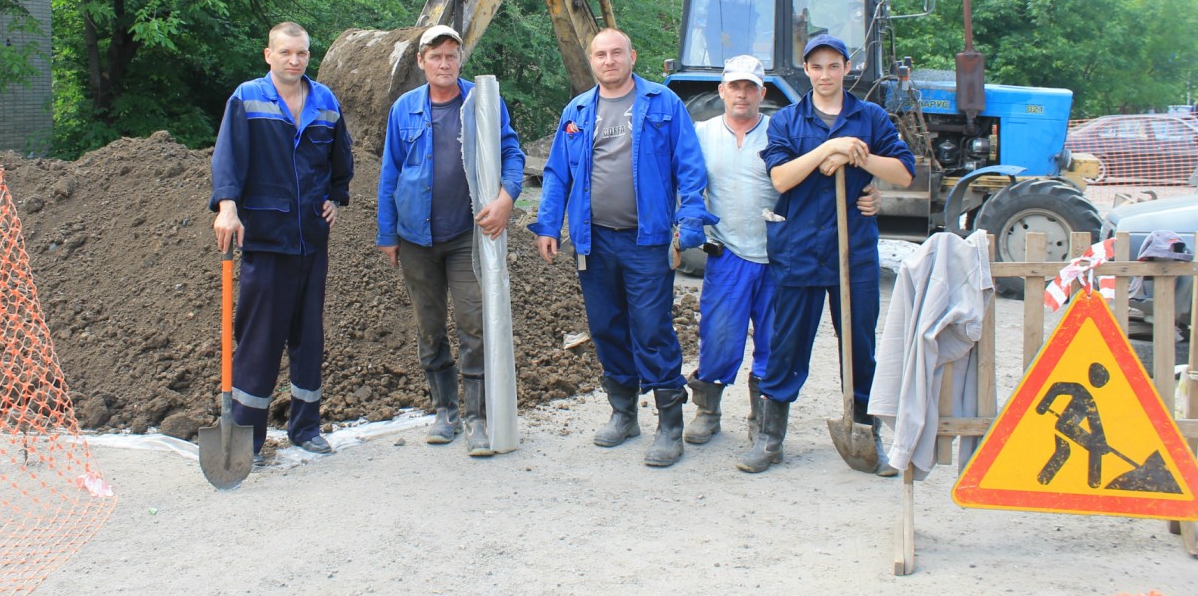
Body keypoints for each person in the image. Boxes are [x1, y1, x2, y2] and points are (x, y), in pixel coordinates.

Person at [531, 28, 713, 467]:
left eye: (616, 53)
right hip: (594, 240)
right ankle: (624, 413)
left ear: (632, 56)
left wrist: (689, 220)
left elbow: (689, 165)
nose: (609, 60)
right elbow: (557, 173)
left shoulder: (663, 105)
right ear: (591, 61)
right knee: (607, 326)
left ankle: (670, 426)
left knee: (651, 328)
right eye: (600, 54)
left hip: (646, 240)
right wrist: (548, 224)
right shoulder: (577, 110)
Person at [738, 34, 914, 475]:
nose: (825, 75)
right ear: (806, 69)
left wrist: (861, 158)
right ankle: (770, 437)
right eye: (817, 67)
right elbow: (781, 178)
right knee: (786, 345)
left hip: (852, 250)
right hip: (799, 249)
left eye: (833, 66)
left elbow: (904, 173)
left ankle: (866, 433)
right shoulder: (786, 122)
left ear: (846, 68)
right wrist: (827, 150)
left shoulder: (869, 117)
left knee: (859, 345)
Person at [685, 54, 880, 447]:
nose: (742, 95)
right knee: (719, 335)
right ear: (721, 90)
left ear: (762, 93)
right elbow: (682, 177)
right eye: (734, 87)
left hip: (782, 252)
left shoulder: (784, 129)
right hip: (728, 251)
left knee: (776, 342)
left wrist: (873, 193)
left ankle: (762, 417)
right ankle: (708, 410)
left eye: (750, 88)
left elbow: (834, 169)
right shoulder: (701, 132)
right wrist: (682, 223)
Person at [376, 25, 525, 457]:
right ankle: (445, 410)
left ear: (460, 60)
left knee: (474, 324)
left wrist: (505, 198)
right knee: (429, 326)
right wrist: (387, 233)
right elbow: (390, 172)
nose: (444, 63)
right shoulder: (405, 109)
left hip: (467, 236)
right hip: (415, 238)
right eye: (435, 56)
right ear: (421, 61)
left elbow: (511, 152)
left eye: (451, 56)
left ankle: (478, 418)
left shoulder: (481, 103)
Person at [210, 21, 354, 466]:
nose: (295, 60)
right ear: (268, 54)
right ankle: (247, 438)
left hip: (311, 239)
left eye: (302, 54)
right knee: (259, 339)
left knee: (308, 336)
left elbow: (340, 159)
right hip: (266, 239)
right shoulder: (248, 98)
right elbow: (228, 158)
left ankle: (305, 427)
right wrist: (227, 208)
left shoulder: (325, 101)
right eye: (286, 52)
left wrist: (335, 198)